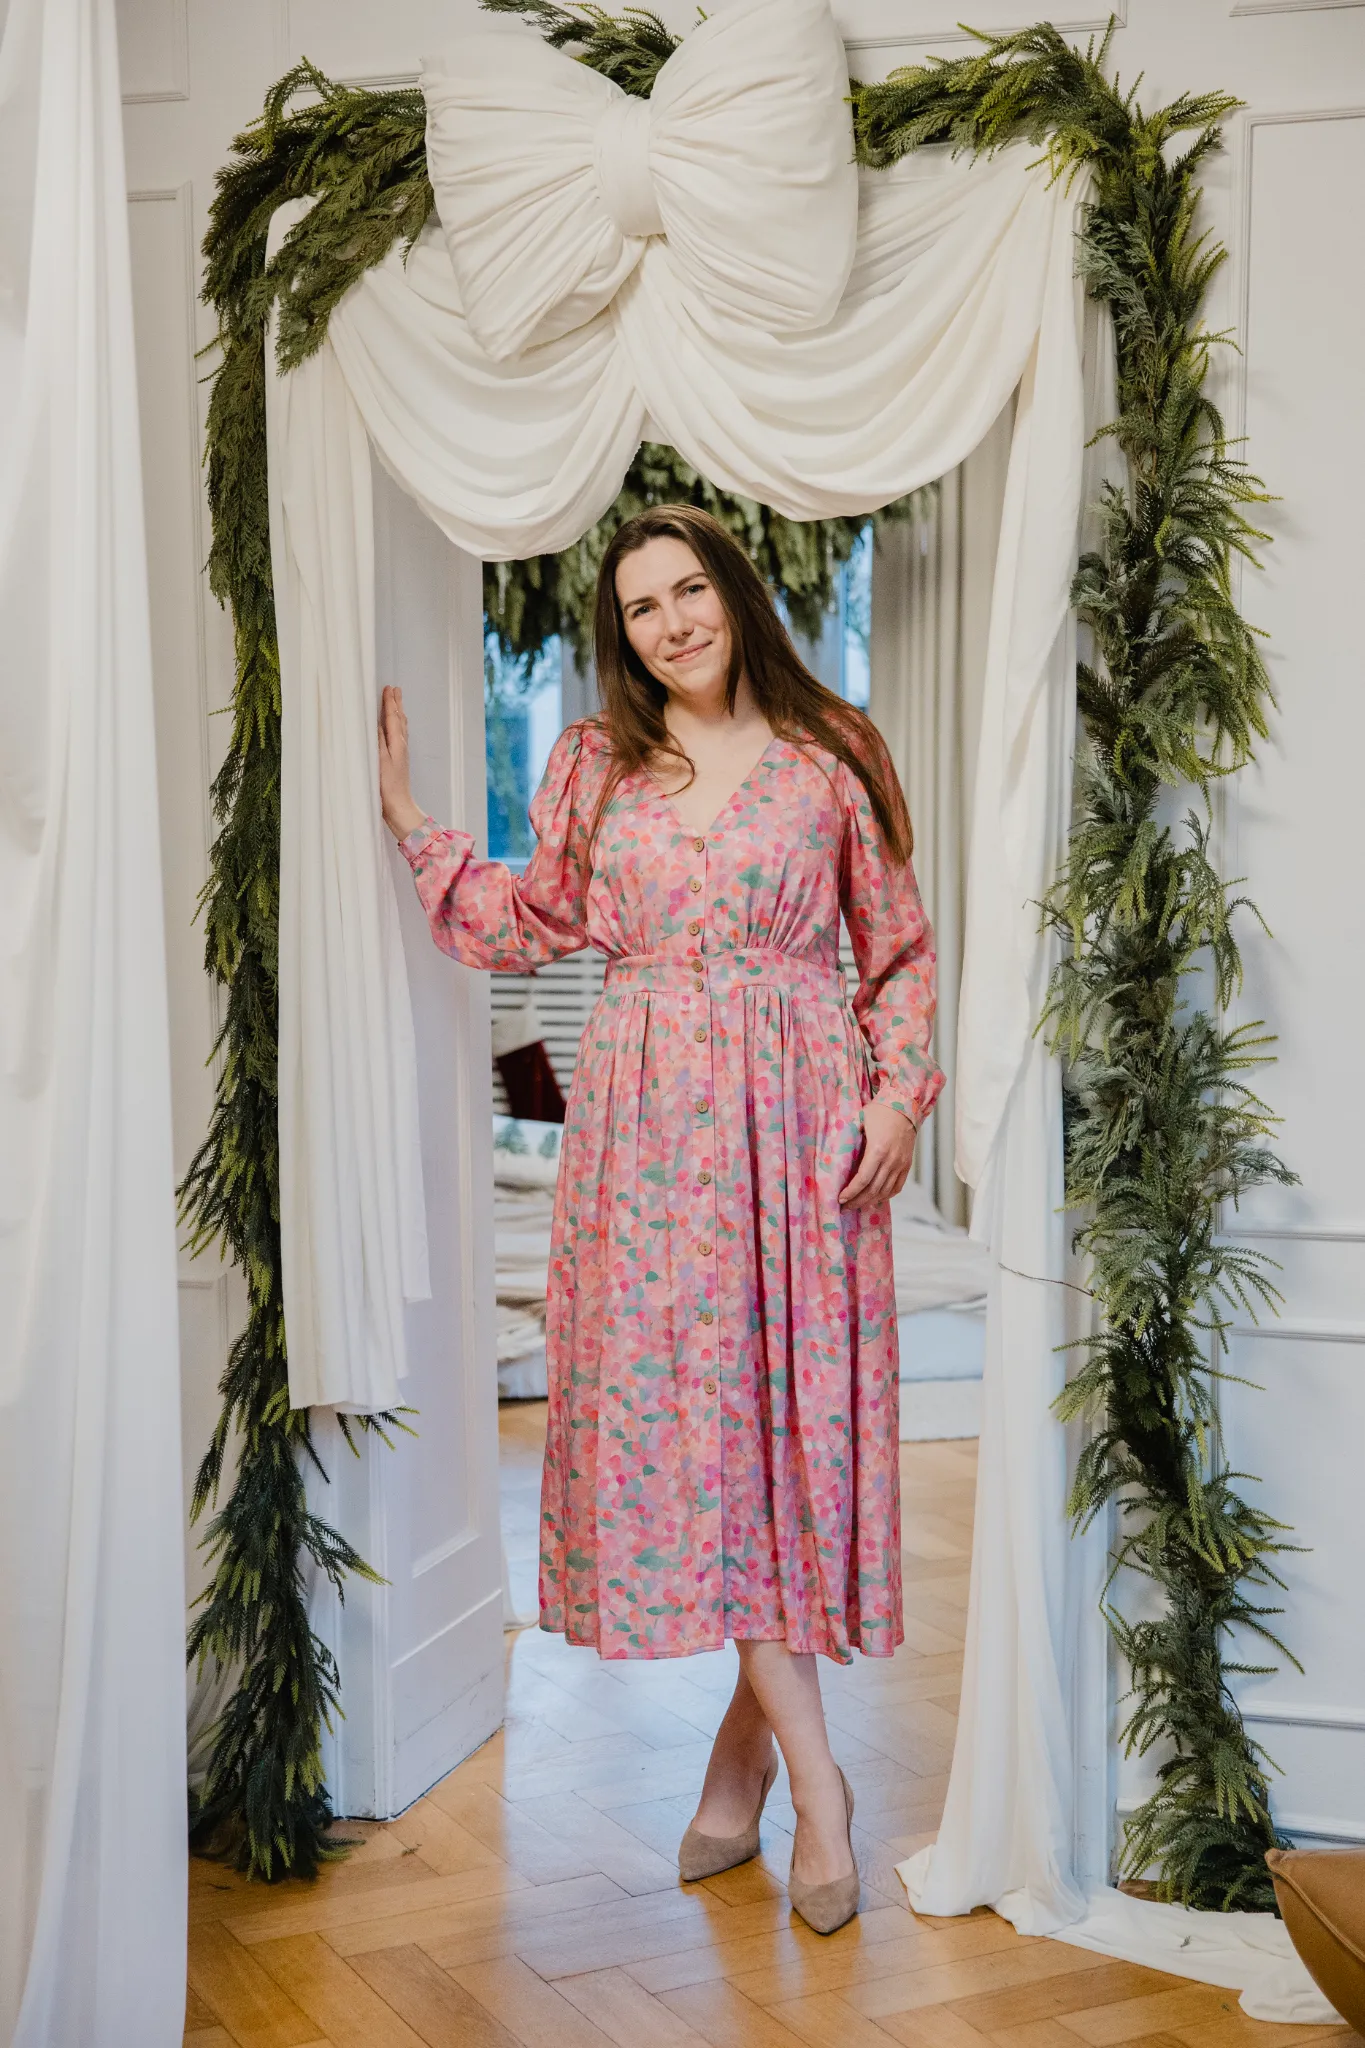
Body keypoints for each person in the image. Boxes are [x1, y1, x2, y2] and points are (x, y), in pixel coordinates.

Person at [378, 505, 943, 1935]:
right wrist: (413, 828)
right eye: (641, 607)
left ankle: (759, 1779)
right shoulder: (594, 764)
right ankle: (815, 1785)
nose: (674, 622)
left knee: (785, 1447)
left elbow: (899, 954)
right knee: (702, 1450)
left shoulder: (837, 751)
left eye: (691, 590)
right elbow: (532, 918)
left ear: (735, 593)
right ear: (620, 635)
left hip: (804, 1138)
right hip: (642, 1157)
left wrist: (897, 1101)